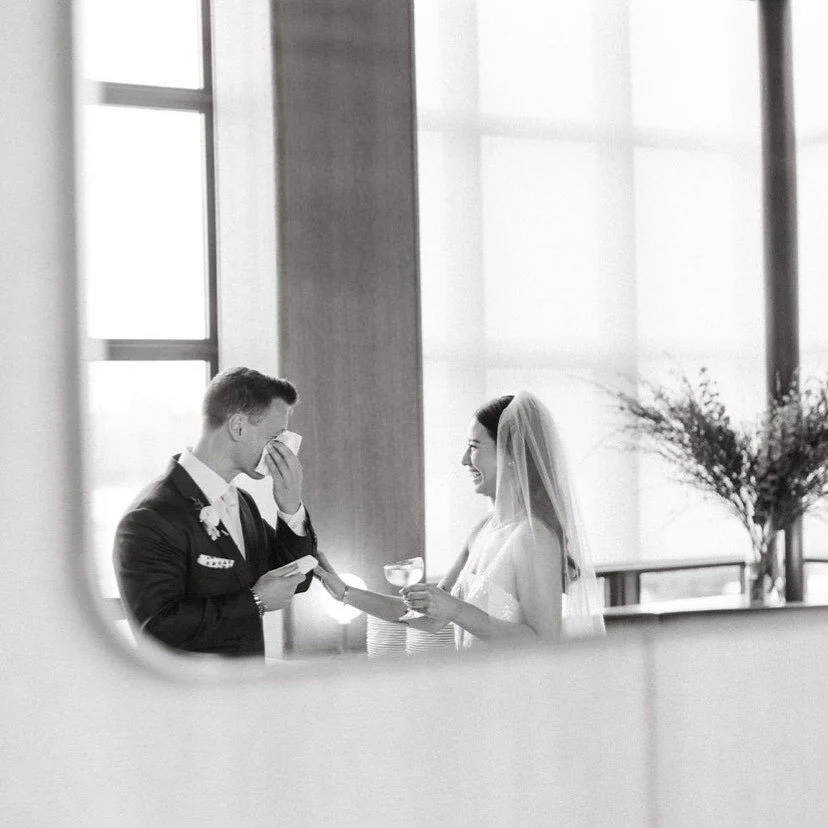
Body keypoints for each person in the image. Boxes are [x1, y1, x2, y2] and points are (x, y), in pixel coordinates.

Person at [315, 392, 605, 649]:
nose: (464, 460)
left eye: (474, 446)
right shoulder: (482, 530)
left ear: (512, 454)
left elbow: (543, 642)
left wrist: (455, 610)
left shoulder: (534, 537)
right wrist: (345, 593)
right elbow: (428, 618)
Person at [114, 367, 317, 657]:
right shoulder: (149, 516)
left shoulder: (243, 503)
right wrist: (255, 600)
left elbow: (297, 579)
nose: (285, 450)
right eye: (276, 436)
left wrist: (290, 506)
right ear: (237, 427)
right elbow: (157, 627)